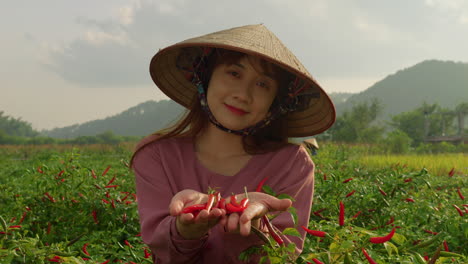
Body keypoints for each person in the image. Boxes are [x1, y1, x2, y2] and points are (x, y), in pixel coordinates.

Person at [131, 24, 336, 263]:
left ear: (276, 102)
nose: (243, 94)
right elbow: (163, 250)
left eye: (263, 84)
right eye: (234, 73)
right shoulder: (157, 155)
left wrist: (255, 226)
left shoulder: (293, 164)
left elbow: (283, 256)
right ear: (205, 78)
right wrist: (185, 229)